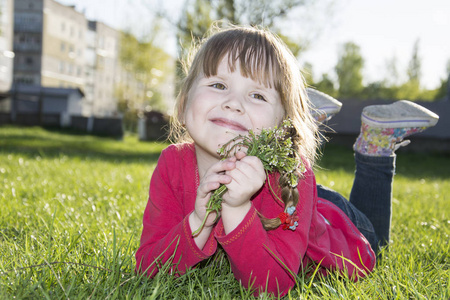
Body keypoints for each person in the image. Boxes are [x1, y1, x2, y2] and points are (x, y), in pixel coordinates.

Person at [135, 25, 439, 296]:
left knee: (376, 244)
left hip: (339, 228)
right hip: (303, 204)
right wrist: (198, 221)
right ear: (185, 99)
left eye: (257, 96)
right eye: (218, 85)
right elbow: (148, 270)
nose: (233, 103)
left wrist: (238, 208)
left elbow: (272, 285)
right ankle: (299, 112)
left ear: (283, 127)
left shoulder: (293, 174)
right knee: (304, 200)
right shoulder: (172, 165)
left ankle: (376, 145)